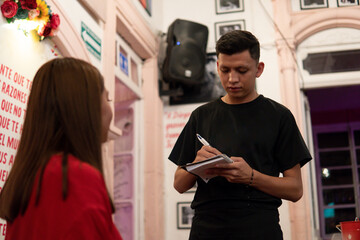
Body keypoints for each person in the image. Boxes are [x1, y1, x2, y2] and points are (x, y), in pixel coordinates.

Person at [168, 30, 312, 240]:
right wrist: (196, 165)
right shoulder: (201, 116)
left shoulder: (279, 116)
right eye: (225, 70)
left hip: (259, 229)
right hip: (206, 229)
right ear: (217, 66)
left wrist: (251, 177)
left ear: (258, 69)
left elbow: (295, 189)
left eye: (241, 70)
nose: (232, 79)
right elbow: (179, 184)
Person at [0, 57, 123, 240]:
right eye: (108, 98)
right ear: (85, 107)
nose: (110, 110)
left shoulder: (32, 176)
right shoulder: (75, 178)